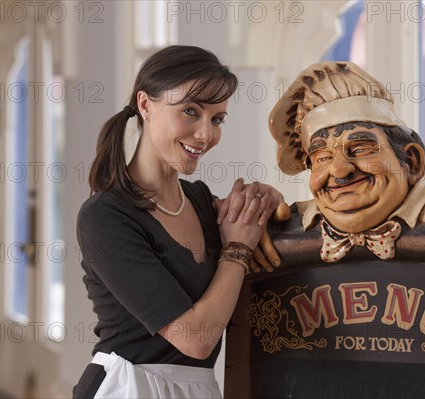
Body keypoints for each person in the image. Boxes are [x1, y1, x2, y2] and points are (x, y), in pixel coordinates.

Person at [73, 45, 282, 398]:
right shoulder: (106, 216)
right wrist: (235, 249)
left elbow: (251, 264)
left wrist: (265, 202)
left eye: (216, 119)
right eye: (190, 111)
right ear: (145, 105)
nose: (205, 134)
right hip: (129, 387)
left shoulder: (201, 201)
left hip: (198, 389)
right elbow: (196, 340)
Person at [265, 61, 425, 271]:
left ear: (412, 161)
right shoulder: (291, 223)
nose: (339, 171)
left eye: (359, 149)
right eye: (322, 157)